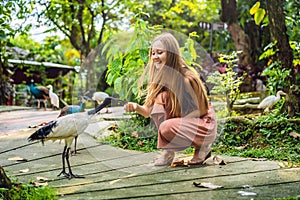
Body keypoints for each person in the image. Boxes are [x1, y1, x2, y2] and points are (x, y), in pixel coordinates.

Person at [124, 32, 217, 166]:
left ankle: (202, 148)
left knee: (166, 127)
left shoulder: (187, 78)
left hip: (204, 124)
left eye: (160, 52)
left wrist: (178, 123)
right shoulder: (159, 79)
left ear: (171, 54)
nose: (155, 57)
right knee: (161, 99)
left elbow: (202, 110)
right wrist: (135, 107)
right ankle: (168, 152)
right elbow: (147, 111)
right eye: (153, 53)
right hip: (185, 122)